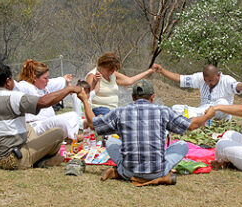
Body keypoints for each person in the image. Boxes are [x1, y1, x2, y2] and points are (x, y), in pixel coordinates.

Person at [78, 79, 215, 185]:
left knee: (111, 141)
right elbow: (191, 125)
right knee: (182, 144)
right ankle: (161, 177)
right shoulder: (163, 111)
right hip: (157, 171)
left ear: (132, 97)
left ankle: (120, 172)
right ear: (152, 97)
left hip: (128, 170)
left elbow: (93, 124)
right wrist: (208, 115)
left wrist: (85, 100)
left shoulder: (120, 112)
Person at [0, 64, 83, 170]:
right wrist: (69, 89)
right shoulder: (13, 97)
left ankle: (38, 157)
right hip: (13, 160)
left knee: (27, 127)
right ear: (8, 81)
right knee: (58, 133)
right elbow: (43, 102)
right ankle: (43, 161)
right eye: (12, 79)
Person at [14, 59, 82, 142]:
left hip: (48, 122)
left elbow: (55, 82)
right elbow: (13, 86)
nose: (48, 80)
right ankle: (74, 137)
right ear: (35, 78)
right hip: (35, 127)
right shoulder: (25, 86)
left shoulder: (43, 87)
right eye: (45, 78)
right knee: (59, 121)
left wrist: (64, 79)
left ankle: (68, 139)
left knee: (73, 115)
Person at [152, 64, 242, 119]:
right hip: (202, 111)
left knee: (223, 103)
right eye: (206, 81)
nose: (208, 83)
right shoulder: (200, 77)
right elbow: (180, 78)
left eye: (210, 81)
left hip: (221, 115)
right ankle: (195, 116)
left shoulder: (227, 80)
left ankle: (194, 116)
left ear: (218, 75)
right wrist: (162, 71)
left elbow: (236, 85)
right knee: (176, 108)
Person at [86, 52, 155, 116]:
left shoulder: (113, 75)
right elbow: (86, 97)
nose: (111, 72)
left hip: (113, 110)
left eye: (113, 71)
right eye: (109, 70)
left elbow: (129, 81)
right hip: (98, 110)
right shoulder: (92, 75)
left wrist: (149, 71)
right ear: (102, 66)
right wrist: (94, 82)